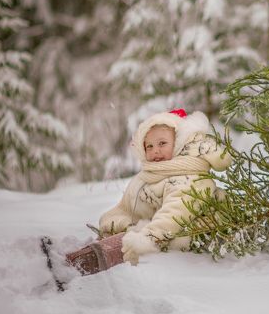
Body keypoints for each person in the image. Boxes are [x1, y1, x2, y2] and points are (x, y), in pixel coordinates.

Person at [98, 108, 232, 265]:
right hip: (153, 232)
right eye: (149, 146)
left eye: (162, 143)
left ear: (178, 144)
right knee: (103, 247)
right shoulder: (147, 176)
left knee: (113, 252)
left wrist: (144, 239)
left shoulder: (187, 177)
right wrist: (117, 223)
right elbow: (124, 208)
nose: (156, 151)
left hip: (186, 238)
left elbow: (174, 214)